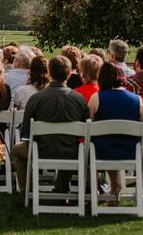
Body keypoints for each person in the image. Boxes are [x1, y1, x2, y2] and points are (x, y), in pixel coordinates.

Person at [12, 55, 89, 192]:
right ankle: (61, 187)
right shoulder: (79, 99)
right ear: (70, 73)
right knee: (73, 145)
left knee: (16, 151)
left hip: (41, 150)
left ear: (49, 73)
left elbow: (27, 133)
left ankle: (26, 192)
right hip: (71, 151)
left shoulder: (36, 99)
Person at [88, 61, 143, 196]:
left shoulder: (96, 98)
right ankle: (114, 187)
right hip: (130, 151)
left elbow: (88, 126)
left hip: (102, 152)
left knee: (97, 143)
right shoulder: (138, 100)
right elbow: (141, 127)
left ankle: (96, 189)